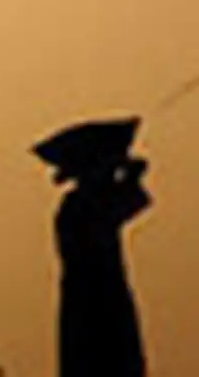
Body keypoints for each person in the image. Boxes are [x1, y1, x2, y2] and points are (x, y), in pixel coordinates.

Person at [33, 117, 151, 377]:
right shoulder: (80, 206)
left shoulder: (82, 203)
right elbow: (128, 203)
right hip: (95, 305)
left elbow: (133, 201)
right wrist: (131, 179)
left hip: (100, 301)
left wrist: (129, 179)